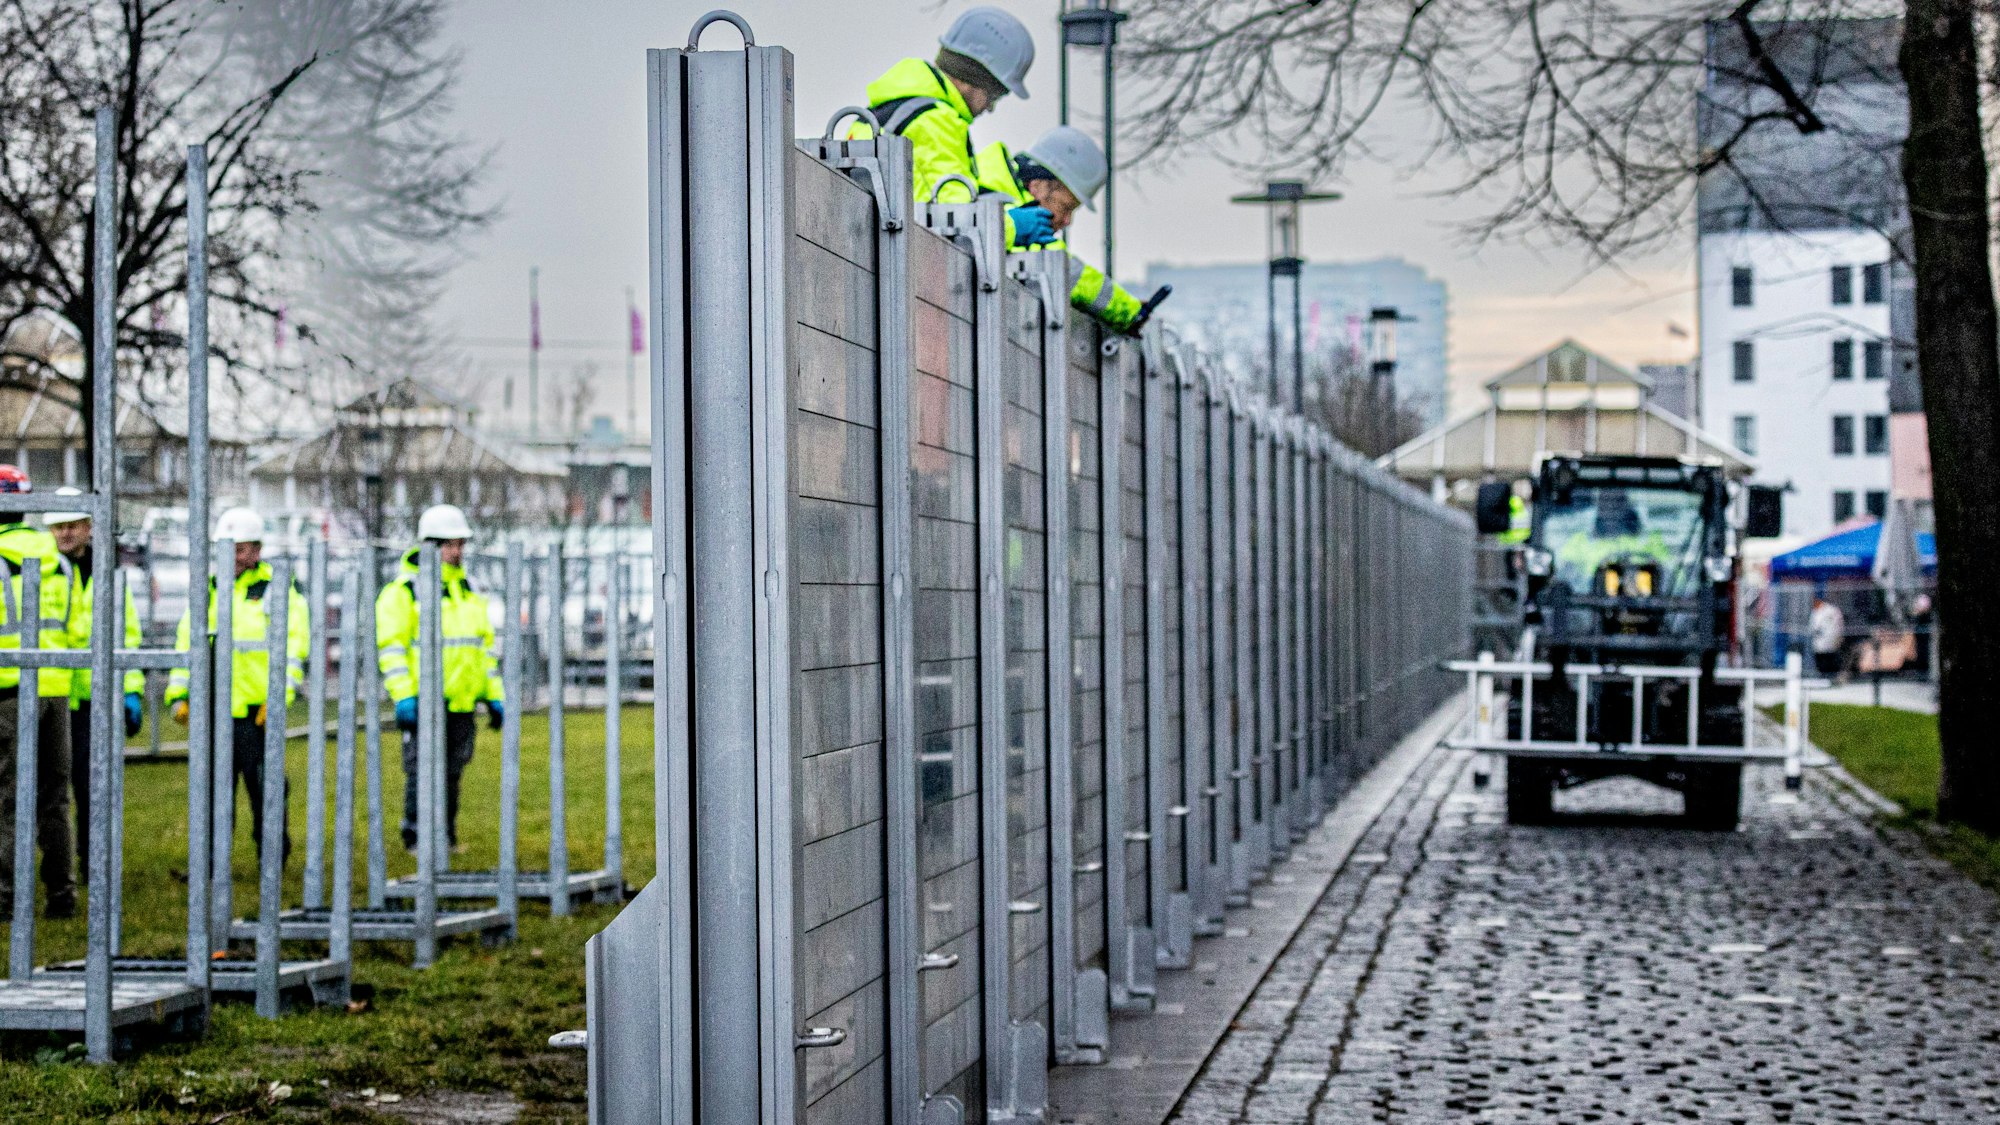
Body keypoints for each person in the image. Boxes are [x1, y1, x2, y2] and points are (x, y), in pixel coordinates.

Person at [166, 507, 308, 860]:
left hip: (255, 713)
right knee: (213, 792)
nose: (234, 557)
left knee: (266, 787)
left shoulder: (277, 590)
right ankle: (210, 864)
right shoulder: (209, 590)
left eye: (241, 549)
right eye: (227, 549)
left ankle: (272, 857)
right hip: (212, 711)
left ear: (257, 550)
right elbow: (188, 642)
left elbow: (294, 646)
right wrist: (179, 693)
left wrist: (278, 698)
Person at [376, 505, 503, 853]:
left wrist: (493, 694)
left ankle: (445, 838)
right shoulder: (404, 592)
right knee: (421, 771)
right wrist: (403, 695)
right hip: (423, 700)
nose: (457, 552)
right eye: (450, 545)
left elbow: (484, 648)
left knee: (452, 772)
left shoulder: (470, 589)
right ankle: (416, 838)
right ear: (429, 546)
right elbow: (392, 649)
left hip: (461, 700)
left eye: (460, 544)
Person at [854, 6, 1041, 230]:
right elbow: (958, 217)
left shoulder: (898, 109)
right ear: (975, 78)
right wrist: (1011, 227)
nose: (990, 107)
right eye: (995, 94)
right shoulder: (935, 121)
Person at [43, 487, 144, 872]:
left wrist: (130, 691)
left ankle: (91, 860)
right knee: (49, 788)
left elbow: (127, 637)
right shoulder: (42, 573)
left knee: (91, 786)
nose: (65, 534)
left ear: (89, 527)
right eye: (58, 527)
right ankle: (55, 863)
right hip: (53, 696)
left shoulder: (111, 576)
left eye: (72, 525)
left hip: (93, 701)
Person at [973, 125, 1146, 333]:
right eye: (1065, 207)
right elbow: (1065, 271)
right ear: (1037, 186)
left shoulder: (996, 197)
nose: (1067, 221)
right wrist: (1129, 312)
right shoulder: (997, 206)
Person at [0, 466, 78, 917]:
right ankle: (61, 896)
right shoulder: (57, 557)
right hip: (55, 687)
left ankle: (5, 898)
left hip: (8, 689)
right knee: (54, 797)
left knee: (5, 796)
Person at [1809, 594, 1846, 679]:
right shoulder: (1815, 611)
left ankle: (1832, 677)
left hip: (1830, 639)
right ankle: (1822, 676)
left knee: (1830, 658)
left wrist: (1838, 637)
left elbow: (1838, 624)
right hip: (1818, 640)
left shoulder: (1831, 610)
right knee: (1820, 659)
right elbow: (1813, 626)